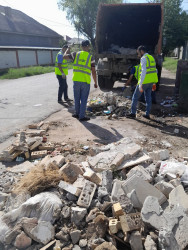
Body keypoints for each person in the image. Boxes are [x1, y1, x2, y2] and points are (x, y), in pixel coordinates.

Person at [64, 40, 98, 122]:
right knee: (83, 99)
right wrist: (95, 82)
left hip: (76, 80)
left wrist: (68, 48)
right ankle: (81, 116)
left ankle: (76, 113)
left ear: (81, 47)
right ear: (89, 46)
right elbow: (93, 71)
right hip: (85, 81)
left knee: (76, 98)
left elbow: (64, 56)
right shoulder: (91, 57)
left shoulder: (75, 54)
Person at [126, 45, 158, 119]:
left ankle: (133, 113)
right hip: (151, 81)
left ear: (141, 51)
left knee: (135, 97)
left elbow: (144, 71)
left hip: (144, 82)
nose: (138, 55)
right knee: (148, 98)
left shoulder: (143, 58)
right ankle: (147, 114)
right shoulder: (151, 57)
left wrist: (140, 83)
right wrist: (154, 83)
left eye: (138, 53)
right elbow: (155, 70)